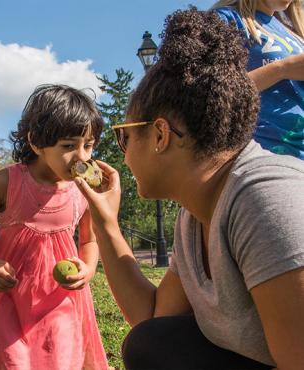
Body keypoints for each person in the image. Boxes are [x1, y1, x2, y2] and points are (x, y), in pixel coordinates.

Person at [73, 8, 304, 370]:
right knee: (151, 345)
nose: (123, 151)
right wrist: (105, 223)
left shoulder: (265, 200)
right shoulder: (196, 213)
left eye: (124, 135)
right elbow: (153, 320)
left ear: (160, 135)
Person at [0, 84, 109, 369]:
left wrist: (88, 269)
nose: (82, 157)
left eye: (88, 145)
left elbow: (89, 239)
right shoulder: (8, 181)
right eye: (68, 146)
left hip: (60, 297)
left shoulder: (86, 188)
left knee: (62, 357)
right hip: (10, 295)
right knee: (13, 362)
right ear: (37, 142)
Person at [212, 0, 304, 159]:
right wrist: (282, 69)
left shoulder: (291, 31)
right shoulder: (226, 19)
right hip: (263, 154)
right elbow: (209, 94)